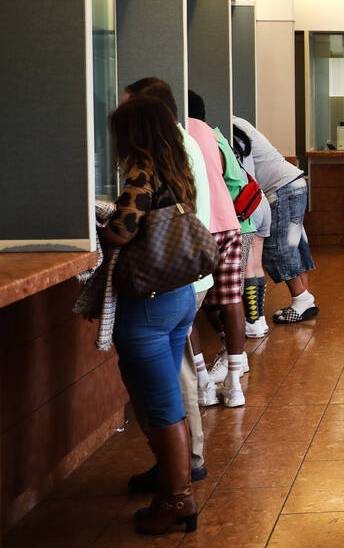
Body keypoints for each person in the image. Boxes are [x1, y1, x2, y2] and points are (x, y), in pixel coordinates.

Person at [101, 96, 202, 534]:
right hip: (177, 296)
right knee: (165, 399)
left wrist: (101, 223)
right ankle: (169, 484)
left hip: (148, 305)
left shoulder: (141, 174)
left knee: (159, 405)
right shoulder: (177, 173)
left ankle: (177, 498)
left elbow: (122, 232)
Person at [122, 78, 211, 484]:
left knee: (165, 392)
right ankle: (180, 468)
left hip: (159, 284)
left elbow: (125, 228)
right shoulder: (180, 155)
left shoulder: (147, 167)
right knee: (173, 382)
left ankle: (180, 477)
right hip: (183, 277)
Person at [184, 91, 249, 407]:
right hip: (228, 224)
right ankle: (235, 384)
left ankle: (204, 385)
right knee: (231, 300)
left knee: (188, 308)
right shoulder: (213, 134)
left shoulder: (176, 133)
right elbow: (233, 175)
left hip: (198, 230)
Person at [231, 115, 319, 324]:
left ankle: (302, 300)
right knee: (294, 246)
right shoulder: (238, 122)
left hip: (280, 188)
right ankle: (303, 302)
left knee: (277, 248)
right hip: (291, 183)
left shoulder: (231, 127)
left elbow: (246, 171)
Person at [230, 123, 272, 339]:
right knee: (256, 264)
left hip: (246, 207)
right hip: (259, 199)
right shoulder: (242, 139)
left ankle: (252, 320)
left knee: (246, 266)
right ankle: (259, 320)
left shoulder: (223, 143)